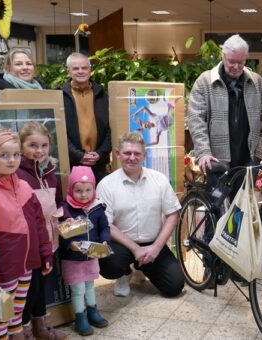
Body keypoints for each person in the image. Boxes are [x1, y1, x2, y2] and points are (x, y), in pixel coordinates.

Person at [0, 131, 53, 339]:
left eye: (16, 154)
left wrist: (45, 253)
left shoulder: (23, 186)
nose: (12, 160)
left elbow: (39, 224)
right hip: (2, 271)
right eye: (3, 155)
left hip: (26, 266)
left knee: (16, 314)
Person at [96, 132, 184, 297]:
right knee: (109, 265)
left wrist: (156, 248)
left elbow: (173, 214)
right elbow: (106, 224)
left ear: (144, 155)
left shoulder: (159, 179)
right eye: (127, 153)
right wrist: (135, 249)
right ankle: (124, 273)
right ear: (117, 154)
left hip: (152, 244)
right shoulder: (106, 185)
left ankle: (141, 266)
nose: (132, 157)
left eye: (137, 153)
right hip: (121, 244)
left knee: (174, 287)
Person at [187, 34, 262, 175]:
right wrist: (204, 152)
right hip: (215, 160)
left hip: (249, 160)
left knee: (245, 198)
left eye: (241, 62)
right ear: (223, 57)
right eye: (231, 62)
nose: (236, 67)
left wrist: (259, 154)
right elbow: (196, 120)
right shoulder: (205, 82)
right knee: (217, 197)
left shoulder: (257, 83)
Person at [15, 122, 67, 339]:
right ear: (21, 146)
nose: (39, 150)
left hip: (49, 237)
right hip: (28, 243)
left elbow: (56, 201)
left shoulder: (50, 171)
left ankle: (41, 328)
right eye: (32, 145)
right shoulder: (17, 174)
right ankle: (25, 330)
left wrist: (66, 219)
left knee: (42, 285)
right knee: (28, 288)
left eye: (44, 145)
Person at [60, 166, 110, 336]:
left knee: (89, 284)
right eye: (79, 190)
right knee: (78, 288)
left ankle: (92, 311)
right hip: (73, 258)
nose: (84, 194)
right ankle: (80, 317)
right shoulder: (65, 209)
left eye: (88, 190)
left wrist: (105, 240)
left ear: (93, 189)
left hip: (92, 255)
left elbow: (105, 227)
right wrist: (70, 243)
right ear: (71, 189)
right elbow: (61, 232)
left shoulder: (97, 208)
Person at [63, 52, 112, 183]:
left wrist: (101, 153)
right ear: (69, 71)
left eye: (84, 68)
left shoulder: (103, 96)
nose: (80, 71)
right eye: (75, 68)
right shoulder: (59, 96)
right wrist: (78, 155)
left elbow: (111, 128)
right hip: (72, 162)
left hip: (100, 163)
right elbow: (58, 131)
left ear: (90, 70)